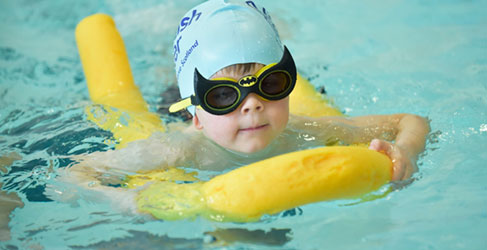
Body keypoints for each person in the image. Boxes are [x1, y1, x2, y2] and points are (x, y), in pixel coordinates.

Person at [51, 0, 429, 203]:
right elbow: (72, 176)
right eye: (223, 96)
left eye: (272, 84)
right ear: (197, 116)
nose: (251, 105)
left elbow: (412, 121)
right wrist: (127, 201)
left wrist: (406, 152)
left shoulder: (305, 132)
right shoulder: (176, 151)